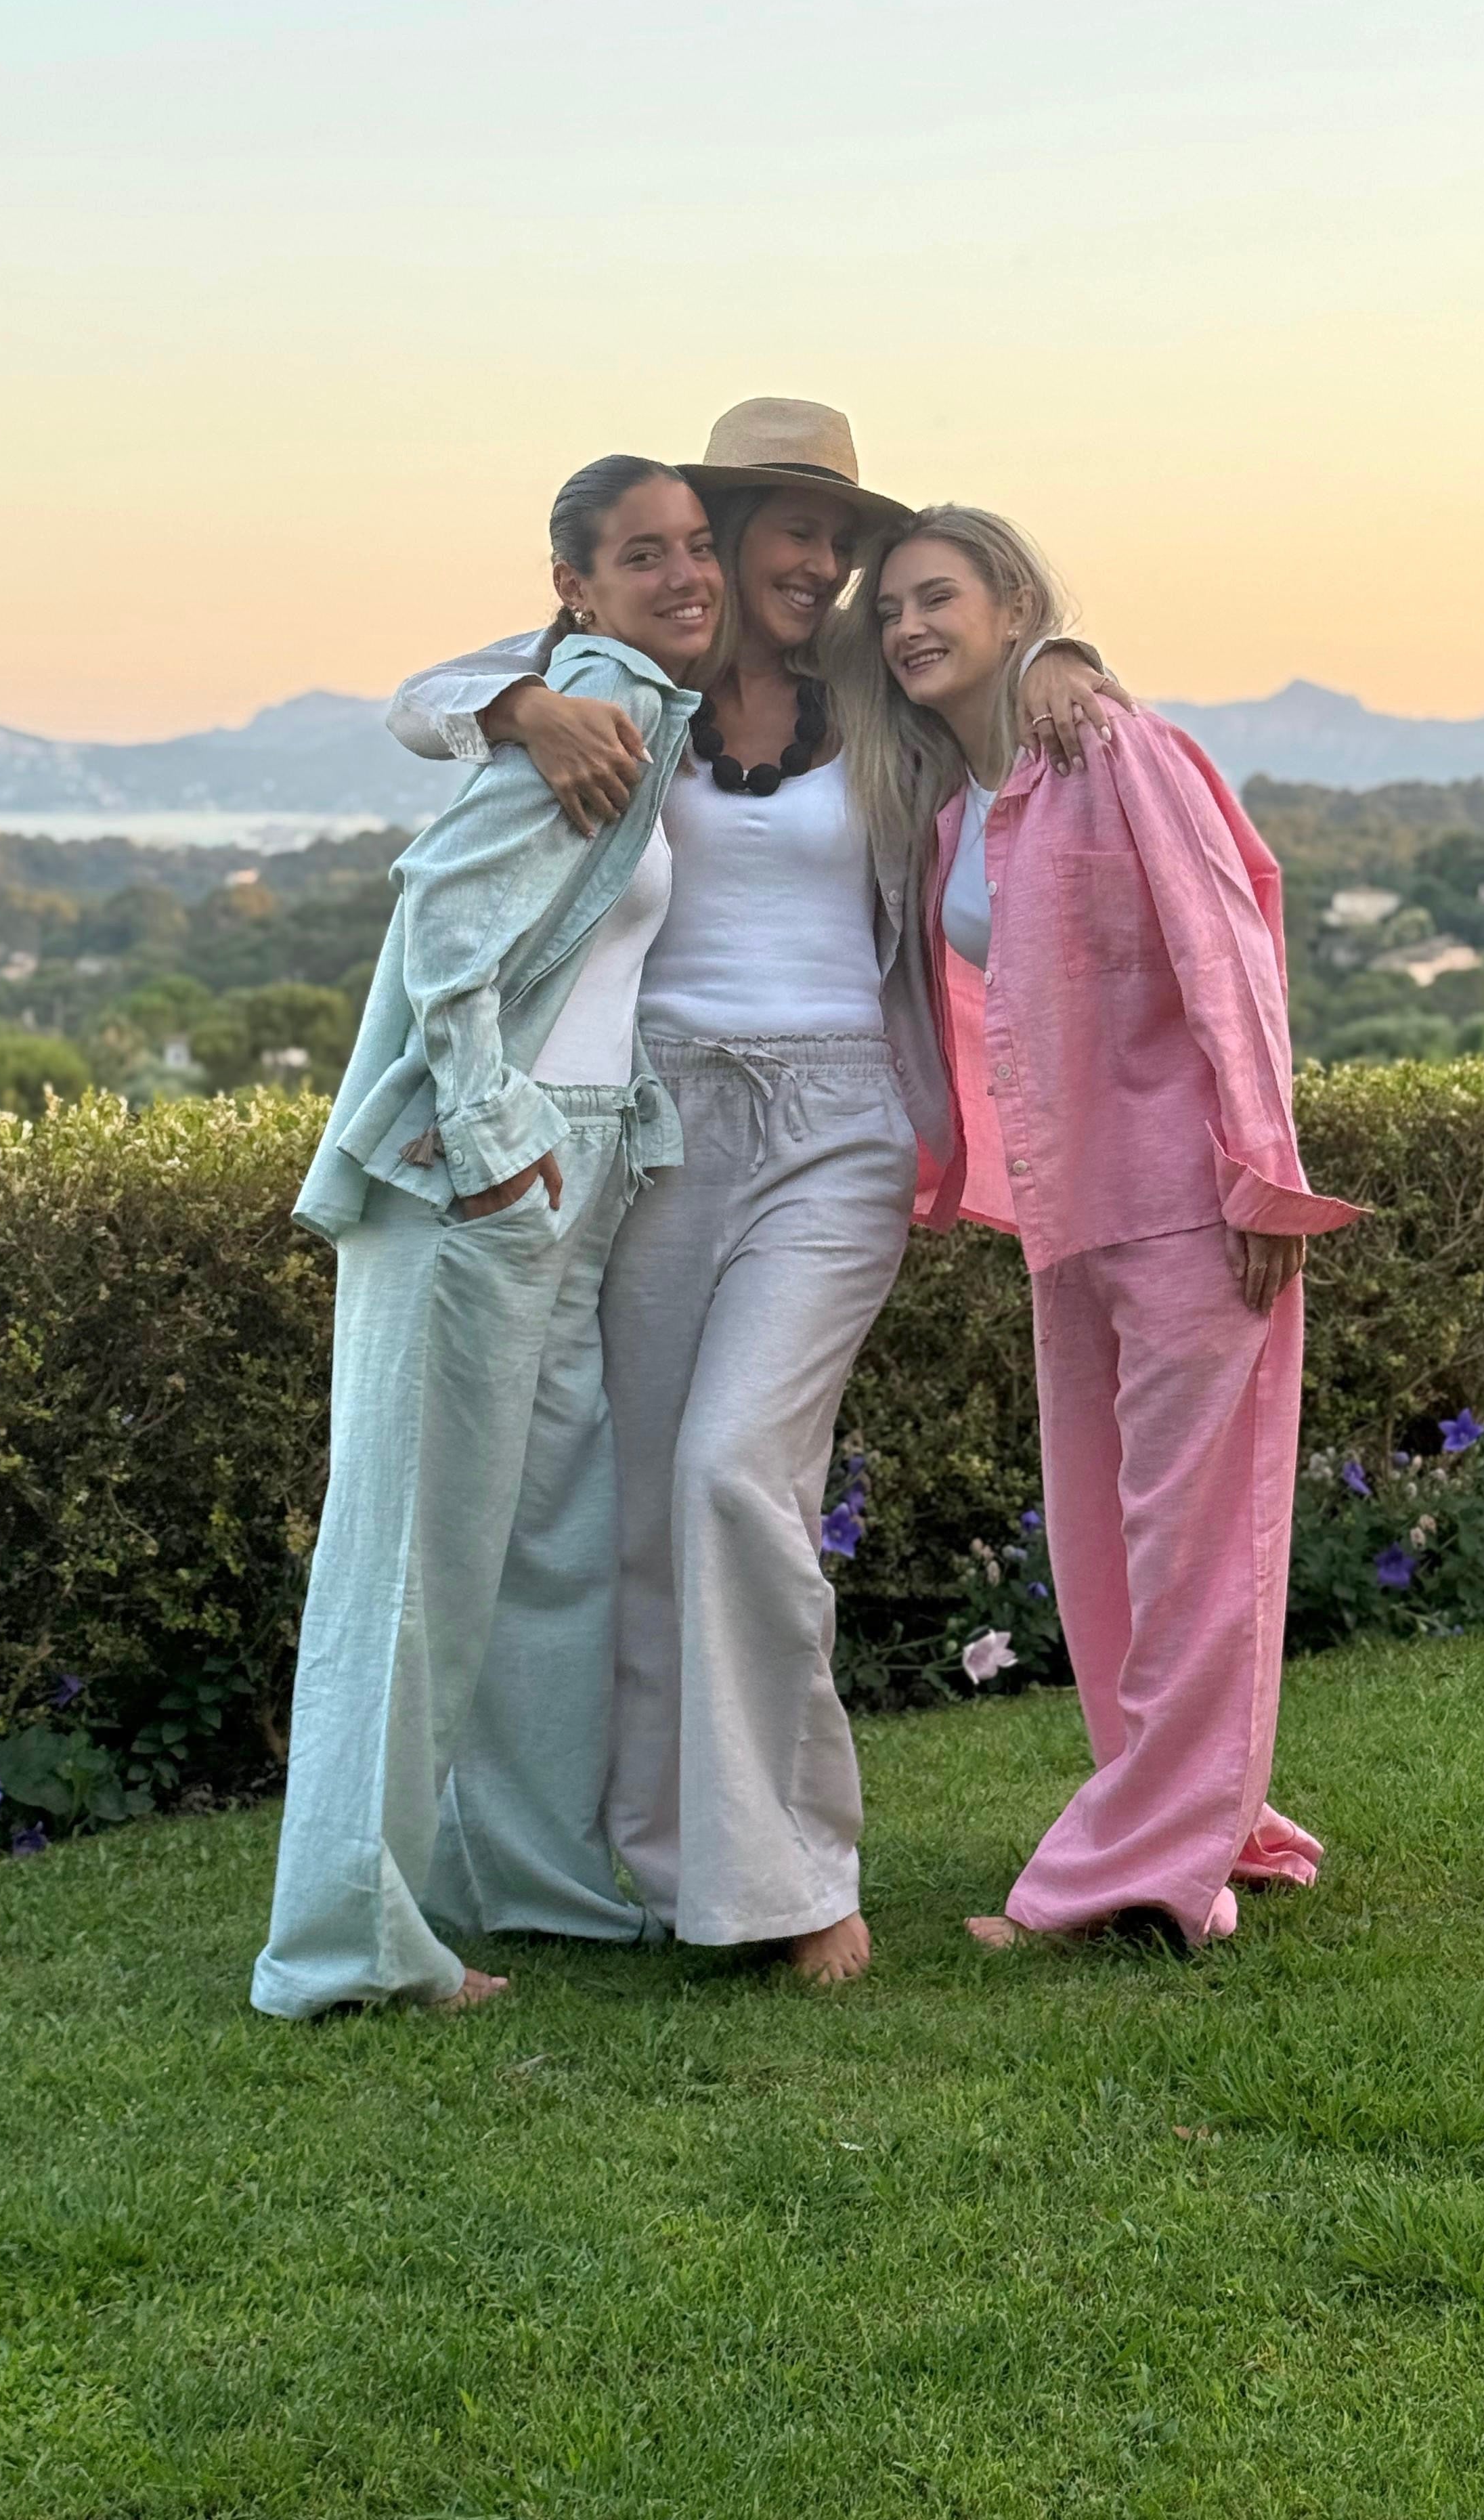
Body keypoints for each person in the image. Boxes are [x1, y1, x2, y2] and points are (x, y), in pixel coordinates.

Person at [387, 398, 1133, 1984]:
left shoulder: (875, 695)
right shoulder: (617, 684)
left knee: (738, 1470)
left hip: (839, 1125)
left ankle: (793, 1873)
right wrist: (525, 702)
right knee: (654, 1503)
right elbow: (420, 699)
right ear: (724, 532)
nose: (828, 563)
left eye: (844, 538)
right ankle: (682, 1869)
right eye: (800, 529)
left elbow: (1003, 686)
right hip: (661, 1126)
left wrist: (1061, 662)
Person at [833, 504, 1363, 1953]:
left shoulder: (1113, 747)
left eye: (938, 596)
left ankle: (1132, 1883)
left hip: (1192, 1204)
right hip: (1072, 1215)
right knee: (1107, 1556)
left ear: (1015, 604)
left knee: (1197, 1551)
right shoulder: (961, 805)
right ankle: (1197, 1823)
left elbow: (1226, 945)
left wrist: (1262, 1170)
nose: (908, 627)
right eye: (890, 610)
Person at [250, 456, 714, 2020]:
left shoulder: (624, 699)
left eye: (697, 544)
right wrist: (500, 1143)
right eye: (644, 553)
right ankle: (345, 1946)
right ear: (577, 584)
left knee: (544, 1543)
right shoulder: (597, 696)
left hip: (578, 1165)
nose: (685, 573)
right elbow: (443, 906)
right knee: (411, 1561)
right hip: (482, 1177)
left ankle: (524, 1880)